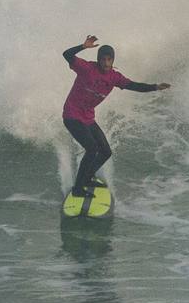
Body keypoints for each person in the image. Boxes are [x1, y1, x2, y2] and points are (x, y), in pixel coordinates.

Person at [61, 35, 171, 196]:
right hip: (72, 115)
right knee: (91, 148)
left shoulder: (114, 77)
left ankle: (86, 177)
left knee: (105, 152)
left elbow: (134, 86)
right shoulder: (86, 68)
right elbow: (66, 55)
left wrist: (155, 87)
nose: (106, 63)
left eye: (109, 60)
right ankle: (78, 189)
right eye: (103, 59)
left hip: (88, 117)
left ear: (113, 60)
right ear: (99, 59)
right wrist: (83, 46)